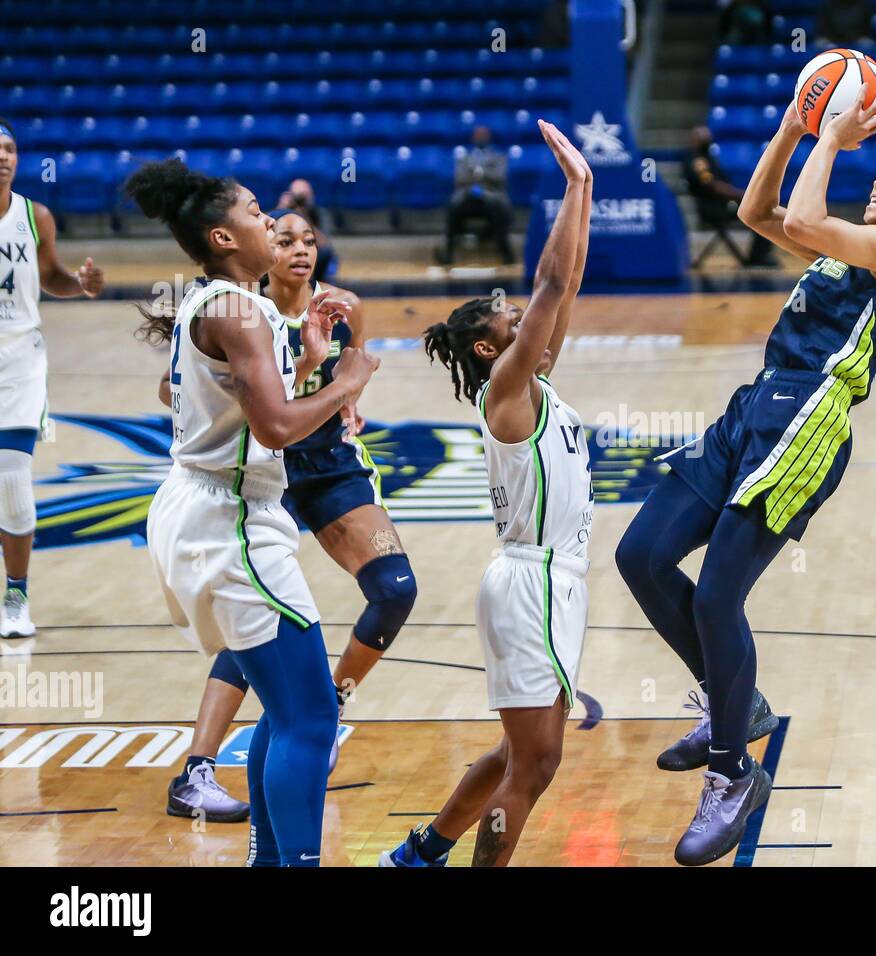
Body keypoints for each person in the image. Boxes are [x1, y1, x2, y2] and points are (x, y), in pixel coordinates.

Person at [616, 88, 876, 866]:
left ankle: (734, 773)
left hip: (809, 420)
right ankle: (738, 705)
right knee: (641, 555)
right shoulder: (850, 244)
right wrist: (790, 128)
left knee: (719, 596)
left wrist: (830, 134)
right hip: (753, 407)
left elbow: (799, 221)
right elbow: (760, 213)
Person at [127, 157, 379, 866]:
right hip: (230, 524)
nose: (268, 219)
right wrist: (345, 380)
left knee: (284, 705)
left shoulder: (217, 304)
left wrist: (305, 366)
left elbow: (225, 403)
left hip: (202, 510)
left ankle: (271, 859)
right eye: (253, 211)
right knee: (310, 715)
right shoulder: (239, 308)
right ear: (223, 238)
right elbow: (273, 429)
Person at [380, 120, 593, 868]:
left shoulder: (531, 382)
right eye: (507, 318)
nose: (520, 315)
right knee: (533, 767)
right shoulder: (506, 387)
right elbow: (552, 282)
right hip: (529, 581)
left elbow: (566, 289)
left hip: (551, 582)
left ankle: (419, 853)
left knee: (516, 757)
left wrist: (586, 189)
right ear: (487, 347)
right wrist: (573, 184)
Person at [163, 208, 416, 824]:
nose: (300, 249)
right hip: (256, 470)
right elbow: (181, 392)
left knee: (395, 588)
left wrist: (348, 402)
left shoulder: (342, 306)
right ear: (259, 247)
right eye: (284, 237)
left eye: (308, 239)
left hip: (325, 464)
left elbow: (349, 380)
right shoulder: (239, 309)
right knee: (258, 620)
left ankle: (327, 707)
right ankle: (199, 764)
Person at [0, 117, 104, 639]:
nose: (4, 157)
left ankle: (15, 594)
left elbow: (51, 277)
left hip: (20, 357)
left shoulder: (35, 215)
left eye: (10, 148)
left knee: (13, 481)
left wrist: (80, 284)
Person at [685, 127, 775, 268]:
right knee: (760, 212)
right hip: (713, 208)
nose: (708, 140)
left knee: (764, 211)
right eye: (703, 137)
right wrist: (742, 195)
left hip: (722, 204)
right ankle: (757, 258)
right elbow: (712, 185)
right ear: (694, 140)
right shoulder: (698, 161)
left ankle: (758, 257)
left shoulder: (708, 158)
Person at [440, 126, 514, 266]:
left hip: (491, 197)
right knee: (453, 204)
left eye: (483, 135)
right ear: (473, 138)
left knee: (498, 206)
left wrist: (479, 173)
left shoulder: (498, 156)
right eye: (478, 135)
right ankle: (448, 254)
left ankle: (505, 252)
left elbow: (500, 177)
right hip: (468, 196)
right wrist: (482, 175)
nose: (480, 138)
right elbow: (459, 178)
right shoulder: (464, 158)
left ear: (489, 137)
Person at [275, 179, 338, 282]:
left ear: (312, 196)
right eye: (297, 196)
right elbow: (268, 239)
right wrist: (280, 210)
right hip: (286, 256)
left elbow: (325, 244)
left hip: (317, 260)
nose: (300, 200)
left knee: (325, 253)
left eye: (304, 195)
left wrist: (302, 216)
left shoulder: (321, 214)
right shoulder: (281, 214)